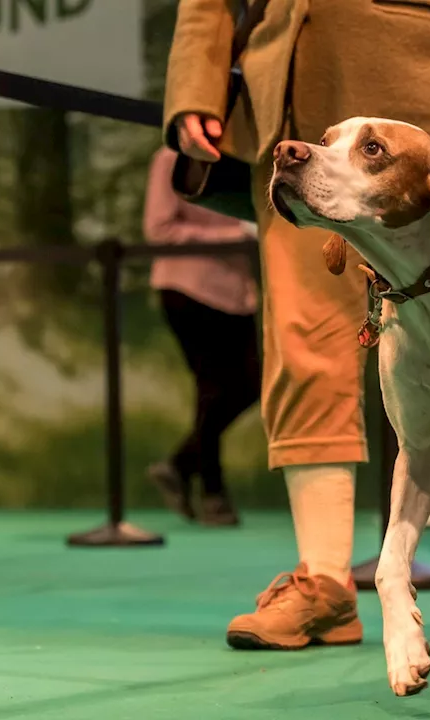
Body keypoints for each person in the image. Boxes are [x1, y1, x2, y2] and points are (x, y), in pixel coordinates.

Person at [164, 0, 430, 648]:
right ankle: (324, 584)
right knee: (302, 343)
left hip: (423, 85)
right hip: (285, 91)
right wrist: (194, 82)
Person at [144, 146, 261, 527]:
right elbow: (159, 228)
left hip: (237, 294)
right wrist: (235, 232)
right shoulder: (171, 158)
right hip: (187, 287)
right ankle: (213, 492)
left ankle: (179, 466)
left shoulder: (248, 160)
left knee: (250, 384)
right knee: (211, 387)